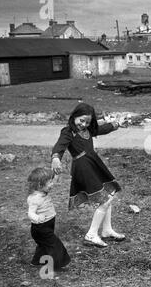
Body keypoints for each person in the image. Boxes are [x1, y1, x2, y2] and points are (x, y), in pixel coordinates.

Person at [51, 103, 125, 248]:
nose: (83, 124)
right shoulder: (68, 132)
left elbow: (101, 129)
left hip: (92, 165)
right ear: (74, 116)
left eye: (87, 122)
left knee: (108, 194)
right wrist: (55, 158)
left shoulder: (88, 129)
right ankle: (91, 235)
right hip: (83, 168)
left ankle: (107, 230)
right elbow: (60, 145)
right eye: (81, 120)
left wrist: (116, 125)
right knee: (106, 199)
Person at [27, 167, 70, 270]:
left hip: (48, 224)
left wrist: (56, 174)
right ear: (40, 185)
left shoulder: (43, 191)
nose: (52, 184)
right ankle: (58, 265)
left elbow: (53, 181)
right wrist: (37, 218)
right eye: (49, 182)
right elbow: (30, 213)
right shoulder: (35, 198)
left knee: (43, 244)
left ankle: (36, 261)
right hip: (40, 227)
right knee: (54, 244)